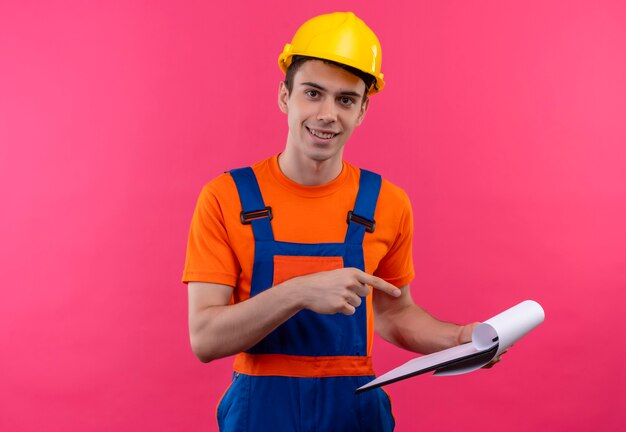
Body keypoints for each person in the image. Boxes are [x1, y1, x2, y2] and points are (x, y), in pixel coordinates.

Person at [183, 11, 487, 431]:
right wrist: (300, 292)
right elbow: (205, 338)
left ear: (362, 110)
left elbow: (395, 315)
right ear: (285, 97)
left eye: (345, 99)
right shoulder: (226, 197)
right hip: (261, 412)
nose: (327, 114)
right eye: (313, 93)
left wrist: (459, 340)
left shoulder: (386, 203)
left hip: (353, 411)